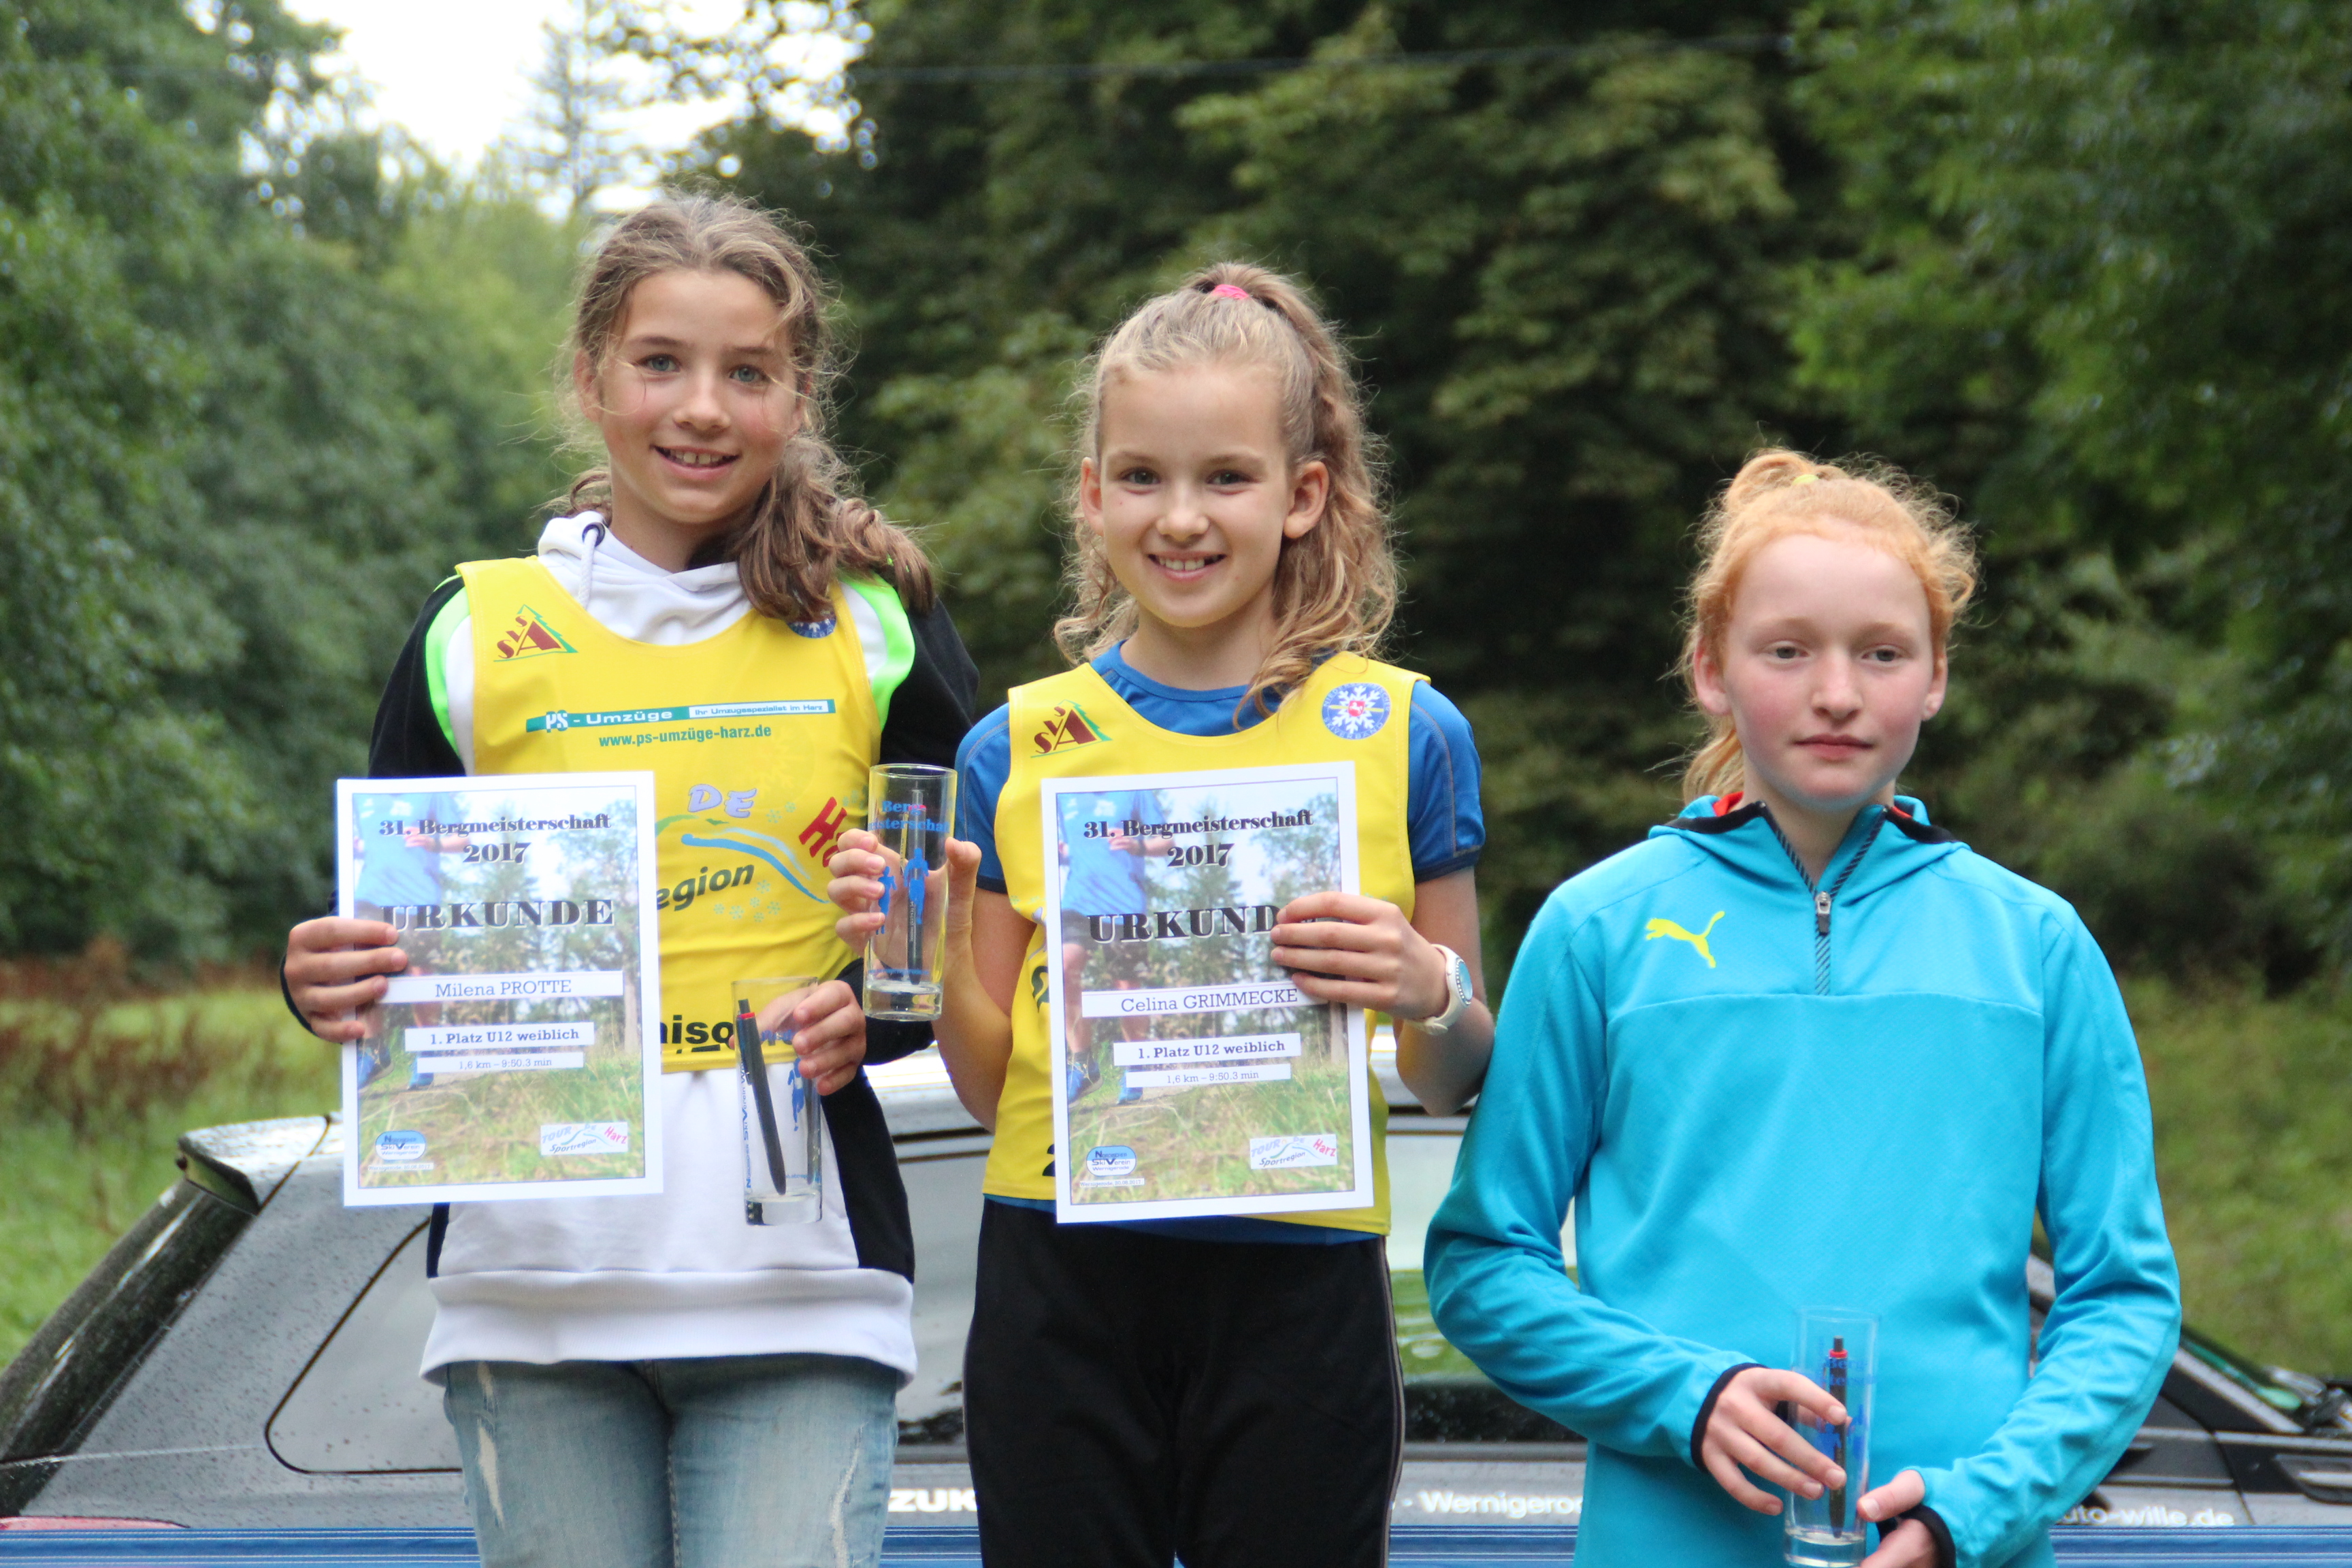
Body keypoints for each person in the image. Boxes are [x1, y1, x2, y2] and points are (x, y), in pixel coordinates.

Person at [280, 194, 978, 1568]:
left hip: (800, 1283)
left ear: (799, 397)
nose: (701, 407)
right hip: (529, 1287)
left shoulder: (877, 624)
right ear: (590, 378)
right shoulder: (471, 632)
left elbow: (958, 939)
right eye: (661, 362)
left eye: (747, 372)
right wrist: (319, 979)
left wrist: (878, 1006)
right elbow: (385, 938)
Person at [829, 264, 1493, 1567]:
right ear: (1092, 492)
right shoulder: (1011, 748)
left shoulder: (1407, 731)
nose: (1180, 518)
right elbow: (993, 1092)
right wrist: (925, 941)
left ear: (1303, 495)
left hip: (1299, 1275)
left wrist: (1429, 987)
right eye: (1141, 476)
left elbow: (1452, 1076)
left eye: (1226, 478)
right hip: (1059, 1278)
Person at [1424, 451, 2181, 1568]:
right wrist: (1687, 1397)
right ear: (1711, 670)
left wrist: (1971, 1510)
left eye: (1882, 653)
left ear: (1936, 677)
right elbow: (1485, 1263)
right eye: (1788, 651)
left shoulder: (2038, 947)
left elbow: (2122, 1298)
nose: (1837, 693)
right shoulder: (1598, 931)